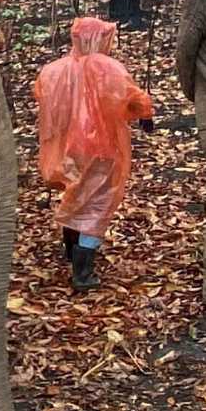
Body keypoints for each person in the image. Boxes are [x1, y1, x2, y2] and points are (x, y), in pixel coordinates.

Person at [35, 15, 156, 291]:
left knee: (76, 195)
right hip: (102, 148)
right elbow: (129, 95)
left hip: (70, 149)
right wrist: (145, 114)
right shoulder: (106, 67)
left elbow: (41, 95)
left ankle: (71, 252)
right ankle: (83, 271)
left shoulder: (54, 70)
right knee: (97, 206)